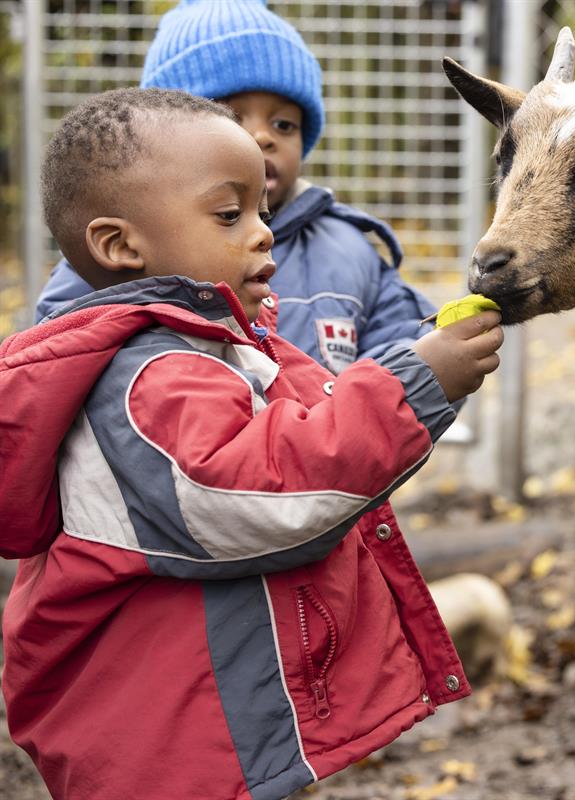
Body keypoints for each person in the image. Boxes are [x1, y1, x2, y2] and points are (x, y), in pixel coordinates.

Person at [0, 88, 502, 800]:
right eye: (230, 214)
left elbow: (320, 420)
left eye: (263, 211)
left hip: (211, 739)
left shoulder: (219, 347)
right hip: (161, 756)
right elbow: (270, 491)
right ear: (119, 244)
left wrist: (423, 375)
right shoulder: (144, 378)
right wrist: (414, 387)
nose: (264, 232)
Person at [35, 0, 434, 375]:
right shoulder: (105, 267)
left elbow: (409, 343)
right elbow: (62, 366)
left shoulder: (347, 247)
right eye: (230, 118)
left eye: (284, 125)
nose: (262, 137)